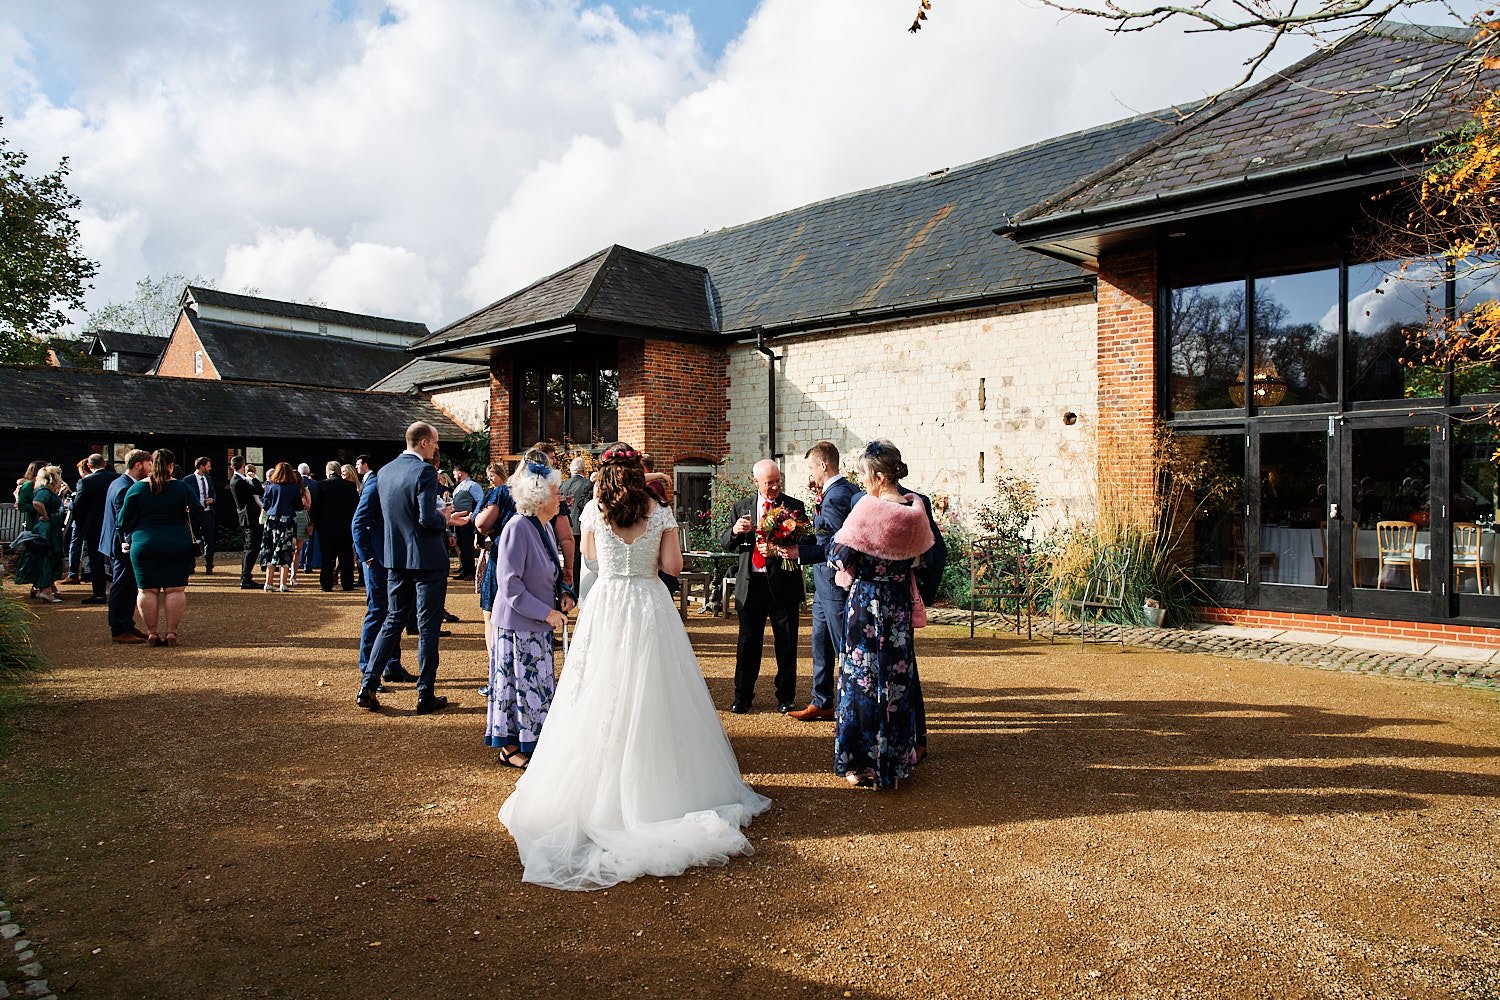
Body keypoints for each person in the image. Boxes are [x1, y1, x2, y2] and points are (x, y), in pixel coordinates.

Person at [499, 446, 771, 891]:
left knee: (599, 689)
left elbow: (588, 559)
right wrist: (663, 537)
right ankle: (661, 787)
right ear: (639, 471)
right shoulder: (659, 509)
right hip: (648, 602)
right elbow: (673, 567)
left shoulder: (592, 508)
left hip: (607, 603)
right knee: (656, 689)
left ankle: (597, 788)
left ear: (605, 472)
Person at [828, 441, 933, 790]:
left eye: (863, 473)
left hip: (868, 604)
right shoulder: (914, 509)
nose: (862, 480)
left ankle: (862, 763)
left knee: (862, 680)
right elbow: (925, 556)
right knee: (897, 681)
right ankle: (896, 762)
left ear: (878, 475)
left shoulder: (868, 510)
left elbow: (839, 555)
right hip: (898, 605)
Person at [356, 422, 471, 715]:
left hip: (395, 557)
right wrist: (445, 517)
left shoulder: (385, 471)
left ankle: (368, 684)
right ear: (422, 443)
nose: (436, 448)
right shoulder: (424, 471)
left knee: (393, 620)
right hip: (427, 559)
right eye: (434, 443)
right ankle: (425, 694)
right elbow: (426, 519)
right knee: (428, 626)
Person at [486, 459, 574, 768]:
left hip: (535, 625)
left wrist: (564, 595)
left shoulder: (545, 527)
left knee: (534, 688)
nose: (560, 497)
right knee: (517, 688)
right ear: (538, 496)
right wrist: (546, 613)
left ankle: (533, 740)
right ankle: (510, 747)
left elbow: (548, 570)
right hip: (517, 625)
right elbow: (509, 585)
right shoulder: (517, 527)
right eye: (555, 491)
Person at [720, 459, 809, 714]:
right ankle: (743, 696)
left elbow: (807, 541)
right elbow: (725, 542)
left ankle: (786, 697)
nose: (774, 487)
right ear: (756, 482)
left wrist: (780, 549)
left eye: (777, 481)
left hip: (783, 583)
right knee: (748, 643)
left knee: (787, 643)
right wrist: (736, 531)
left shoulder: (794, 507)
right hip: (752, 584)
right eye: (769, 483)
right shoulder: (741, 508)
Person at [788, 441, 863, 723]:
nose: (810, 473)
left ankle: (851, 704)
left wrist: (799, 552)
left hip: (833, 581)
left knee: (841, 643)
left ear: (823, 466)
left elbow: (836, 544)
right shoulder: (836, 491)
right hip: (823, 583)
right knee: (819, 642)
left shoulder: (835, 496)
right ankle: (822, 701)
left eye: (811, 467)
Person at [118, 448, 203, 647]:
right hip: (177, 542)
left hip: (144, 543)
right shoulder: (181, 488)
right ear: (171, 466)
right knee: (175, 590)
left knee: (147, 590)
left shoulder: (137, 488)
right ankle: (171, 632)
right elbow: (197, 511)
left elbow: (123, 521)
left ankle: (152, 633)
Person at [351, 458, 415, 689]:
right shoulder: (375, 484)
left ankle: (392, 665)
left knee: (394, 612)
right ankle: (368, 668)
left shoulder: (390, 482)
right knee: (378, 611)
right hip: (376, 561)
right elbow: (358, 523)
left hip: (392, 560)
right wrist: (367, 557)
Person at [101, 450, 152, 643]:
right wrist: (128, 543)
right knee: (122, 586)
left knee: (128, 586)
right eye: (149, 464)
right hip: (122, 545)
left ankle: (127, 624)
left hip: (118, 543)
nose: (151, 469)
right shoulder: (124, 487)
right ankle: (119, 628)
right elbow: (124, 522)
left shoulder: (120, 482)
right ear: (138, 465)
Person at [474, 460, 516, 655]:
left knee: (491, 609)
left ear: (501, 474)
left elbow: (480, 522)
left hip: (499, 549)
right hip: (503, 547)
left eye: (493, 474)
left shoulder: (500, 494)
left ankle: (496, 662)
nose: (490, 478)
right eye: (488, 475)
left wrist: (482, 528)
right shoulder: (492, 493)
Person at [71, 453, 119, 606]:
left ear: (89, 466)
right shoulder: (117, 478)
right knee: (116, 557)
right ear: (104, 464)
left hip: (94, 526)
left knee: (96, 560)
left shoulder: (85, 482)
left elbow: (78, 507)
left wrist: (81, 525)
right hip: (115, 523)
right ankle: (117, 591)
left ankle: (99, 594)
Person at [17, 465, 68, 603]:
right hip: (47, 529)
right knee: (46, 555)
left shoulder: (45, 489)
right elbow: (37, 502)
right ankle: (45, 591)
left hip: (49, 528)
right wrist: (45, 516)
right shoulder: (44, 490)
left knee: (48, 556)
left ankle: (46, 588)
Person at [260, 462, 308, 592]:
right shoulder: (293, 488)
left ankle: (268, 582)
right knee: (285, 550)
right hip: (287, 520)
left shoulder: (270, 487)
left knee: (270, 549)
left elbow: (265, 505)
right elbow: (298, 506)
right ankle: (283, 583)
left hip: (271, 520)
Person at [311, 459, 359, 591]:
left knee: (327, 558)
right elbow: (355, 507)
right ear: (339, 472)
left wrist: (315, 523)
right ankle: (347, 583)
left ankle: (326, 584)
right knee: (346, 557)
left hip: (325, 527)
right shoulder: (349, 486)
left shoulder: (320, 485)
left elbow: (315, 507)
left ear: (328, 472)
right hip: (345, 527)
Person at [229, 456, 264, 589]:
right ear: (243, 466)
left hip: (247, 516)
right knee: (251, 548)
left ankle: (246, 577)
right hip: (249, 517)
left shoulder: (238, 480)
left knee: (250, 547)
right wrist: (254, 478)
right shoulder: (239, 481)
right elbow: (259, 490)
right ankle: (246, 578)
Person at [450, 465, 484, 581]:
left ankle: (470, 571)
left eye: (454, 473)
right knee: (461, 545)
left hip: (467, 520)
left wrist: (473, 515)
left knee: (467, 545)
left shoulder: (473, 485)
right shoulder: (458, 487)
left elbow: (480, 501)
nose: (454, 476)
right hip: (457, 520)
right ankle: (465, 570)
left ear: (460, 472)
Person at [187, 456, 219, 573]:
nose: (210, 468)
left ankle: (209, 566)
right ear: (202, 466)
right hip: (195, 514)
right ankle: (191, 566)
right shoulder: (188, 480)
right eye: (208, 466)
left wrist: (212, 500)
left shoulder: (208, 479)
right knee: (192, 539)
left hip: (208, 512)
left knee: (209, 539)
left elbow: (213, 494)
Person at [559, 455, 592, 537]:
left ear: (571, 470)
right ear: (583, 470)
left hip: (564, 527)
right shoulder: (588, 484)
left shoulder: (562, 485)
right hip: (581, 528)